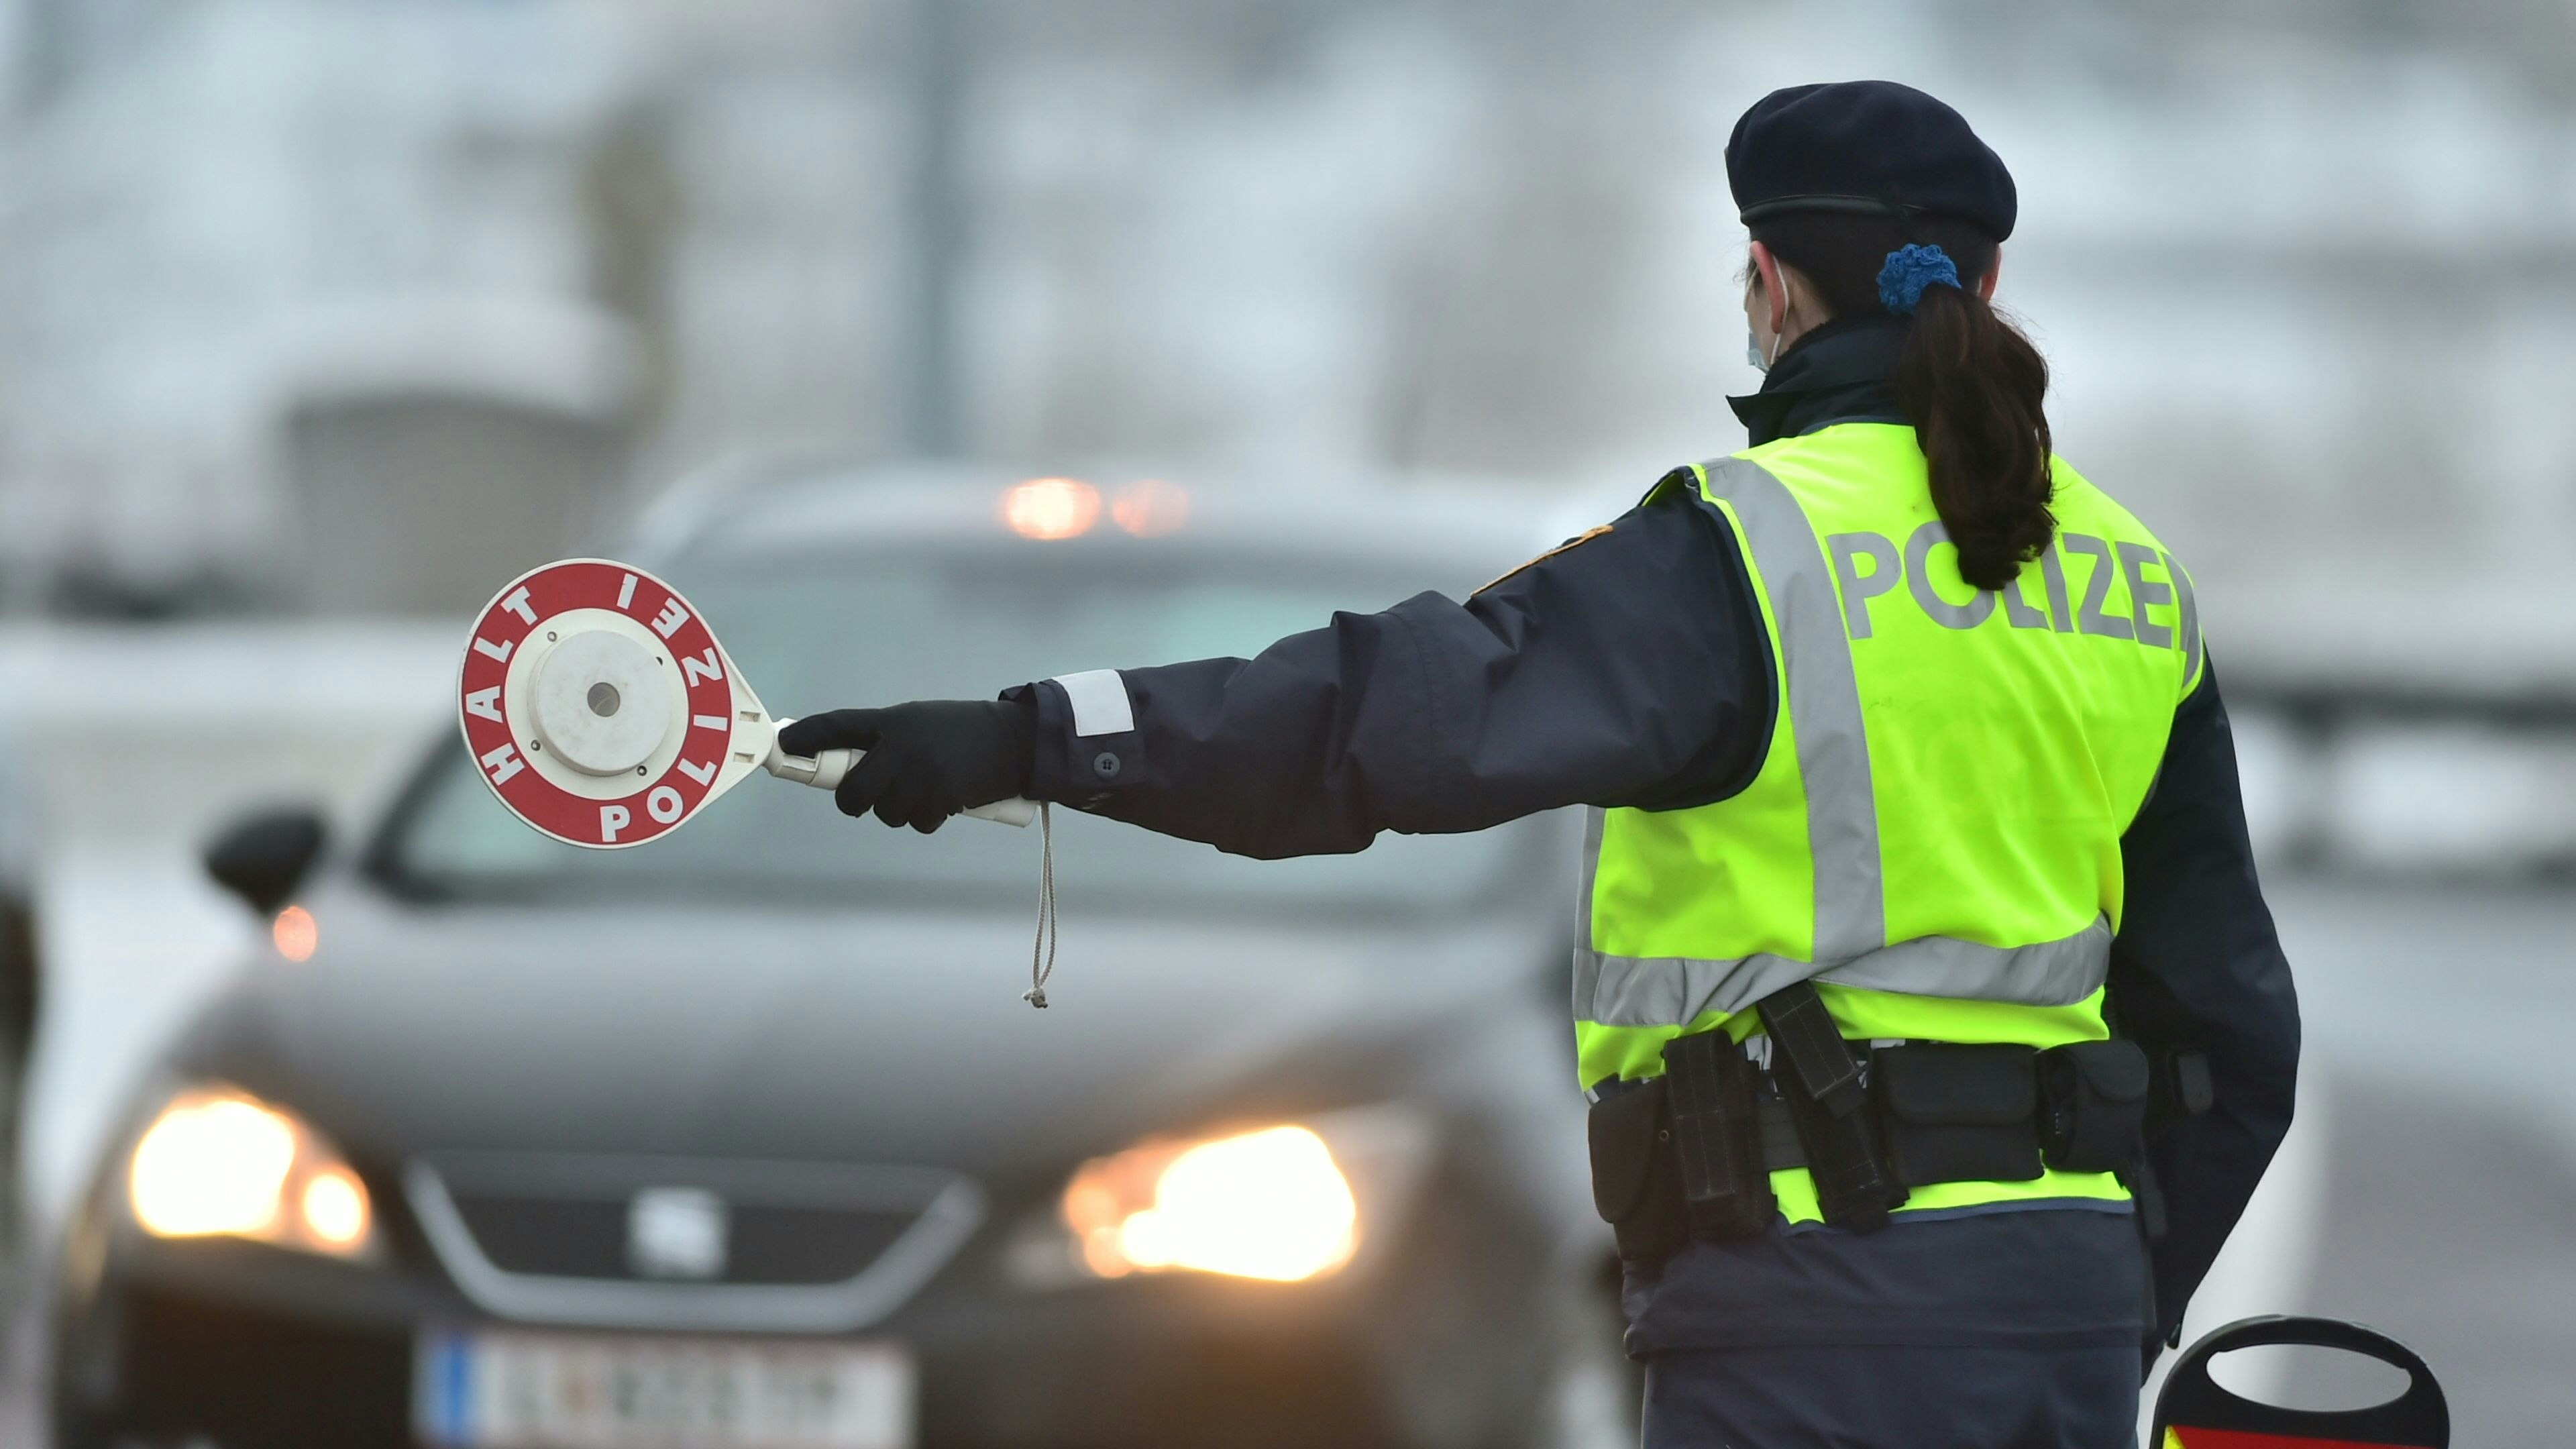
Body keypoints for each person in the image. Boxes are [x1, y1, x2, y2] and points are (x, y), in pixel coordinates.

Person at [782, 80, 2298, 1448]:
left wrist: (1038, 736)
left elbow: (1377, 720)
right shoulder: (2125, 572)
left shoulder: (1741, 550)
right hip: (2059, 1316)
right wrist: (2107, 1290)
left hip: (1811, 1314)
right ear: (1990, 281)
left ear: (1769, 284)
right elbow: (2233, 1032)